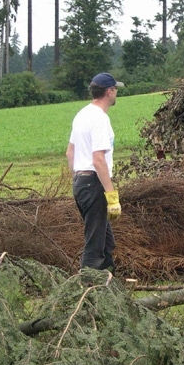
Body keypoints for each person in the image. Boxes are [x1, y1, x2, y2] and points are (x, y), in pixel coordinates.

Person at [66, 72, 124, 271]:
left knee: (106, 242)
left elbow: (70, 153)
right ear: (109, 92)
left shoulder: (82, 115)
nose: (116, 93)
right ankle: (88, 284)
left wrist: (77, 180)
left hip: (81, 183)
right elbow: (98, 160)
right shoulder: (100, 119)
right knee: (95, 246)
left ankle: (108, 281)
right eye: (115, 90)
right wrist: (111, 195)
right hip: (94, 183)